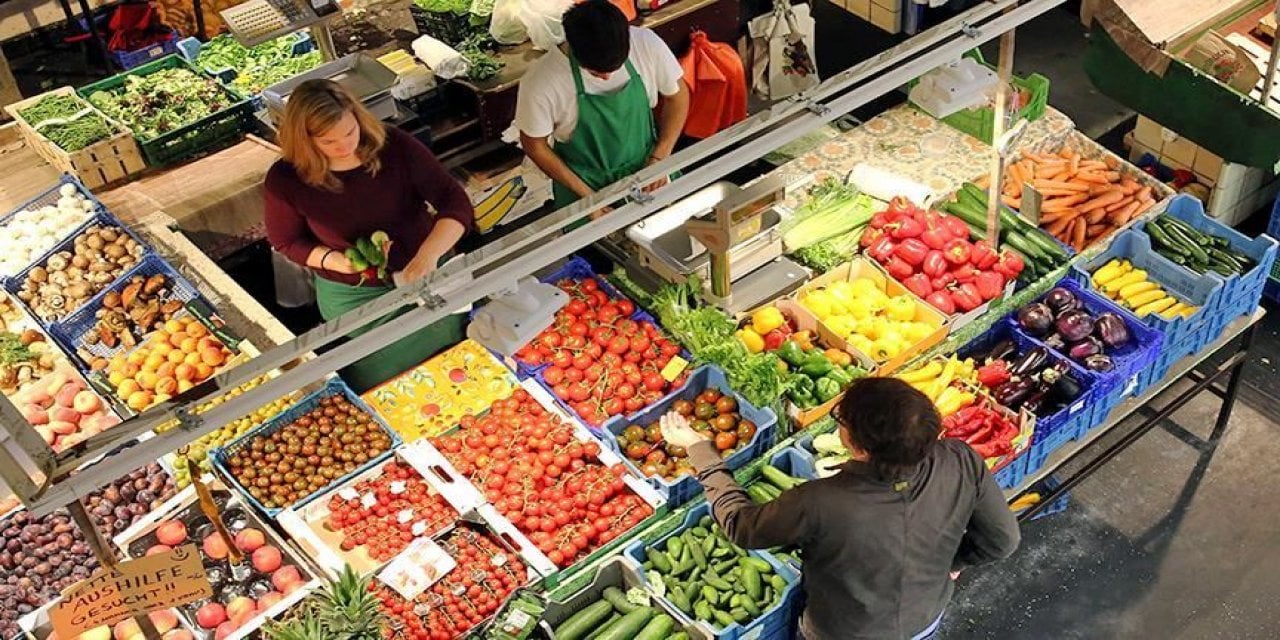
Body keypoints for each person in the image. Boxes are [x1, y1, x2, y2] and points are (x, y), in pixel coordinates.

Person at [661, 377, 1021, 640]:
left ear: (858, 447)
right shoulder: (960, 459)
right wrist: (954, 563)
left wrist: (700, 450)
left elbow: (742, 526)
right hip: (922, 620)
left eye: (841, 419)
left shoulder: (820, 501)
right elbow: (1003, 540)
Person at [264, 79, 474, 392]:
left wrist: (427, 256)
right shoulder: (286, 179)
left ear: (358, 116)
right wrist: (336, 261)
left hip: (426, 272)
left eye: (350, 132)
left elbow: (453, 202)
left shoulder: (395, 146)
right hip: (355, 296)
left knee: (457, 365)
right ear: (304, 140)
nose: (344, 145)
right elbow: (286, 241)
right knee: (390, 382)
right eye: (328, 141)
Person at [515, 0, 690, 220]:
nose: (607, 77)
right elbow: (535, 145)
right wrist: (588, 198)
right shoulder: (541, 82)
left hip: (649, 169)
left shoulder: (645, 43)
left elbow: (678, 96)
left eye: (614, 68)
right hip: (583, 184)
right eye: (597, 72)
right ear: (572, 47)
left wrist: (660, 156)